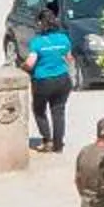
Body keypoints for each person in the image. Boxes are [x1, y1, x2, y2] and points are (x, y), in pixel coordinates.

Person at [24, 9, 74, 153]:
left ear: (40, 23)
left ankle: (47, 140)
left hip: (43, 81)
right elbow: (69, 58)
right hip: (63, 79)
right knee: (58, 112)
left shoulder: (37, 42)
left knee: (39, 110)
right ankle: (58, 146)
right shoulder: (64, 38)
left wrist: (22, 66)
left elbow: (30, 64)